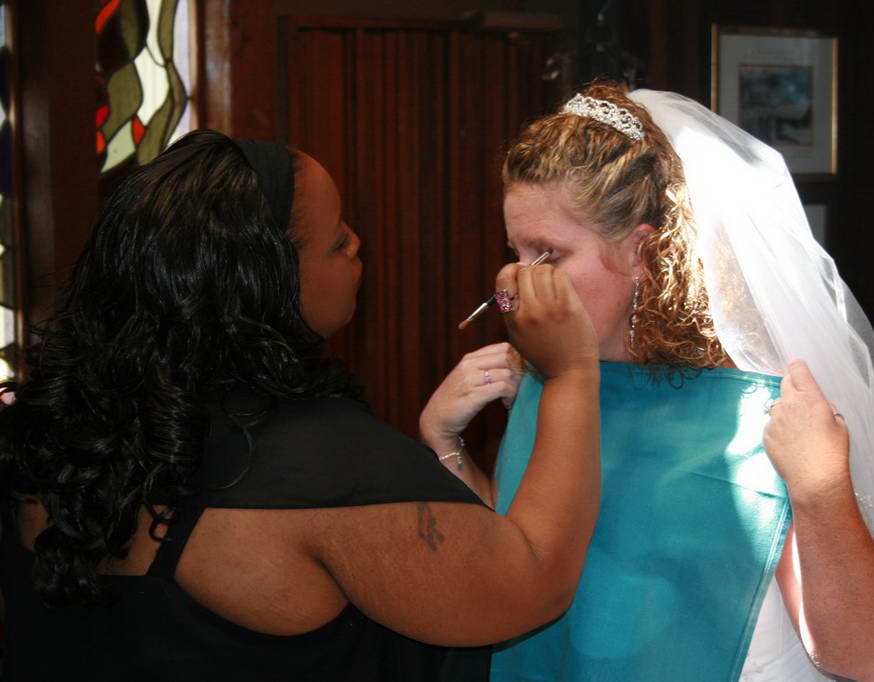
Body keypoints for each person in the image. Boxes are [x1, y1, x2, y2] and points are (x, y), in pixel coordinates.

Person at [0, 129, 604, 681]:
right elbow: (532, 580)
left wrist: (443, 442)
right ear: (263, 281)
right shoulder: (314, 464)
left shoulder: (51, 429)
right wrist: (569, 373)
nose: (357, 243)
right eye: (337, 240)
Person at [421, 84, 874, 681]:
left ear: (640, 253)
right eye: (515, 252)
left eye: (547, 254)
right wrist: (445, 442)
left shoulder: (759, 412)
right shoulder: (545, 385)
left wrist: (820, 490)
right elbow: (516, 567)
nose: (515, 284)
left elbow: (864, 658)